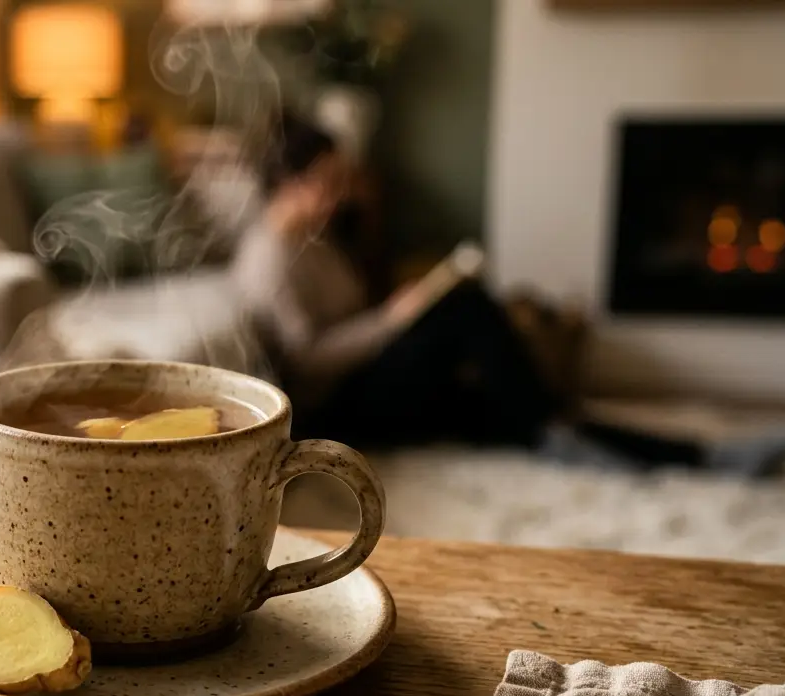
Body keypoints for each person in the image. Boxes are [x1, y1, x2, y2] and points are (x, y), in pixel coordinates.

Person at [231, 111, 560, 449]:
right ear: (289, 182)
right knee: (467, 310)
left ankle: (542, 424)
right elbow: (308, 363)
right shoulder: (269, 258)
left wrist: (402, 309)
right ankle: (546, 424)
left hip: (363, 370)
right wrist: (389, 320)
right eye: (328, 180)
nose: (340, 192)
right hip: (333, 405)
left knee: (475, 390)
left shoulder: (313, 238)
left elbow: (352, 309)